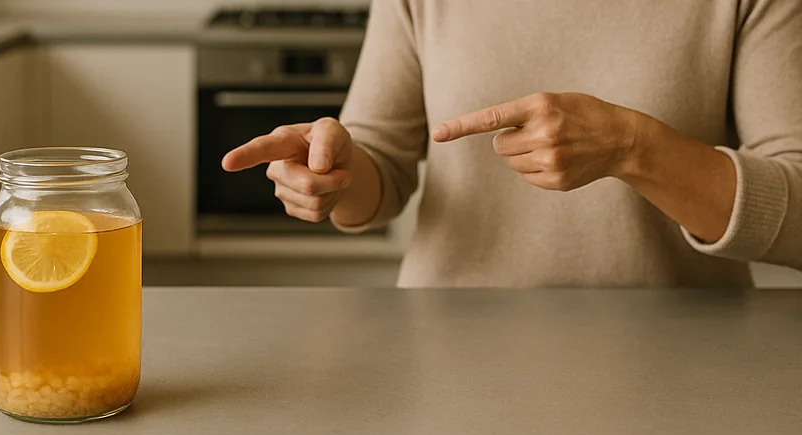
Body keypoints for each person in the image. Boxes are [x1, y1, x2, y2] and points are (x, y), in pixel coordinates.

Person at [221, 0, 802, 287]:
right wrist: (332, 171)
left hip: (686, 363)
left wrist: (633, 147)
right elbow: (381, 166)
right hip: (450, 349)